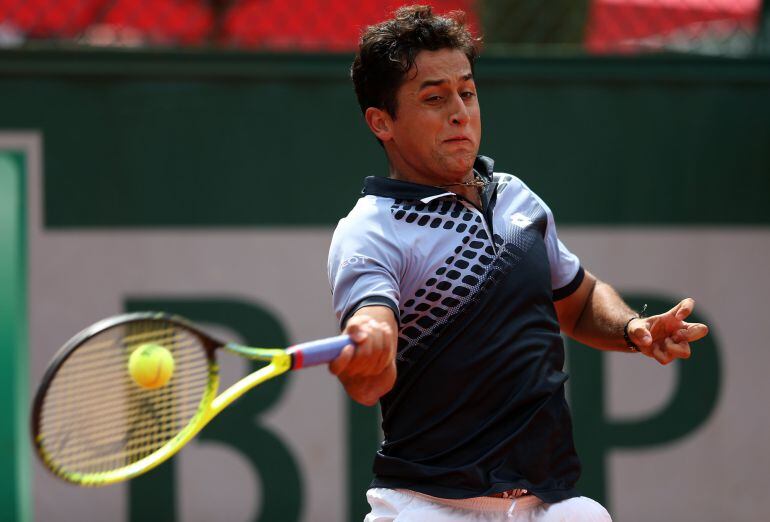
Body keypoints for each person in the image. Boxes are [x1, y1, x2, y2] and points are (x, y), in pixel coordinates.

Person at [327, 5, 709, 521]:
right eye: (434, 98)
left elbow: (577, 301)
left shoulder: (516, 200)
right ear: (382, 122)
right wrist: (369, 349)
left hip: (549, 507)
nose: (460, 112)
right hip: (428, 508)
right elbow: (371, 332)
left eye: (467, 91)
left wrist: (631, 327)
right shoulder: (370, 229)